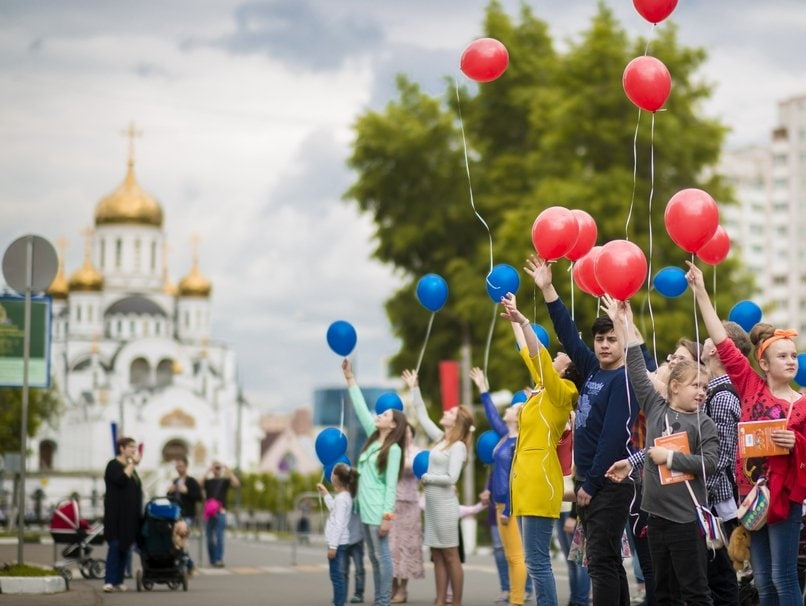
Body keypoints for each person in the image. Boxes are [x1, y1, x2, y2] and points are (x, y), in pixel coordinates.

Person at [687, 261, 806, 606]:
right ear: (763, 364)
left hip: (784, 499)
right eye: (781, 356)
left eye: (793, 356)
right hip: (750, 496)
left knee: (784, 577)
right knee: (764, 580)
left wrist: (796, 442)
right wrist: (701, 293)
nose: (790, 361)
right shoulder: (750, 386)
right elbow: (724, 343)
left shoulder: (802, 403)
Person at [527, 253, 638, 606]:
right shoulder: (592, 369)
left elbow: (614, 437)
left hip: (607, 484)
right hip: (590, 482)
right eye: (600, 339)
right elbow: (568, 335)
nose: (604, 345)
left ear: (623, 342)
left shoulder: (623, 379)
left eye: (611, 339)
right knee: (607, 564)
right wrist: (548, 290)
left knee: (601, 565)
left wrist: (589, 484)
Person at [603, 296, 719, 606]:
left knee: (695, 593)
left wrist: (670, 458)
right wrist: (623, 323)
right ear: (675, 387)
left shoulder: (703, 423)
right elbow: (638, 368)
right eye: (695, 386)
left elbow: (711, 464)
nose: (701, 392)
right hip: (656, 519)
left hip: (686, 521)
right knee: (663, 593)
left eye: (705, 388)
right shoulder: (656, 408)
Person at [498, 292, 579, 606]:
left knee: (537, 561)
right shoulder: (546, 388)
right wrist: (517, 319)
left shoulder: (564, 391)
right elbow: (529, 353)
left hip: (539, 481)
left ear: (568, 367)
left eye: (561, 354)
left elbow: (539, 357)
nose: (555, 353)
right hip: (526, 481)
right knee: (534, 561)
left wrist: (526, 322)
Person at [403, 368, 474, 606]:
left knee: (451, 555)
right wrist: (414, 388)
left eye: (451, 412)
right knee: (437, 554)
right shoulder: (442, 440)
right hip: (433, 507)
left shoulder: (458, 447)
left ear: (458, 421)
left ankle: (456, 602)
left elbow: (451, 478)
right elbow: (422, 417)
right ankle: (440, 600)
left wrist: (427, 477)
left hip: (445, 507)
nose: (446, 412)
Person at [342, 359, 406, 606]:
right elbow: (360, 408)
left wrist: (387, 517)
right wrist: (350, 378)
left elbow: (391, 485)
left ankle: (383, 601)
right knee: (374, 557)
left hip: (379, 511)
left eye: (386, 414)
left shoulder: (394, 450)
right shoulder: (373, 438)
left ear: (394, 424)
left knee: (382, 557)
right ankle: (381, 599)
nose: (379, 415)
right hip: (364, 508)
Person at [700, 321, 750, 606]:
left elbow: (720, 458)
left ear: (719, 350)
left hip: (717, 503)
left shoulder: (720, 398)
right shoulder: (714, 392)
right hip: (715, 501)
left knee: (720, 577)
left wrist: (698, 496)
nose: (707, 339)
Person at [470, 363, 527, 606]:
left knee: (516, 557)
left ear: (520, 415)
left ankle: (517, 600)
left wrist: (508, 508)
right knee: (509, 555)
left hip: (508, 504)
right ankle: (515, 596)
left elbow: (518, 476)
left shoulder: (520, 441)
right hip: (499, 502)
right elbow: (493, 416)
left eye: (515, 407)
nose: (509, 409)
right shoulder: (507, 435)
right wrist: (483, 388)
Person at [390, 423, 425, 604]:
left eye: (409, 432)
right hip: (392, 503)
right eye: (402, 432)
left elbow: (418, 468)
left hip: (411, 503)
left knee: (407, 547)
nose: (406, 435)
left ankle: (403, 589)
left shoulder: (417, 452)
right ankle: (392, 587)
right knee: (392, 547)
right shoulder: (392, 450)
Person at [103, 436, 143, 593]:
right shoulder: (113, 465)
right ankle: (109, 581)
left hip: (130, 516)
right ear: (122, 448)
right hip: (116, 515)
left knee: (125, 547)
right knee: (115, 546)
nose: (134, 450)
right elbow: (120, 480)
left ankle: (119, 580)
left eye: (135, 447)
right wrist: (132, 463)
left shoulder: (131, 468)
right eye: (131, 447)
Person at [318, 462, 361, 606]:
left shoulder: (343, 499)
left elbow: (339, 523)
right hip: (340, 542)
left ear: (336, 479)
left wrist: (333, 546)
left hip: (338, 543)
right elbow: (333, 508)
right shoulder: (343, 496)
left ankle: (339, 603)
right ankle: (339, 601)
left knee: (337, 577)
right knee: (337, 576)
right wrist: (325, 493)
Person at [167, 455, 202, 575]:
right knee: (176, 541)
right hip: (175, 515)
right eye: (177, 466)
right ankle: (188, 565)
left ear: (186, 466)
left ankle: (184, 566)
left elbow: (199, 497)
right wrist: (169, 492)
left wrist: (187, 491)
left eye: (181, 466)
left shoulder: (191, 481)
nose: (178, 468)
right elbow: (169, 499)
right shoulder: (175, 481)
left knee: (180, 538)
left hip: (187, 514)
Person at [203, 460, 240, 568]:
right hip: (209, 513)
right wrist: (208, 470)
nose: (217, 470)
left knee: (219, 537)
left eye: (218, 468)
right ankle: (212, 560)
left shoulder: (224, 481)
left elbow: (236, 483)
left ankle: (219, 559)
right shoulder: (208, 482)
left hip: (221, 512)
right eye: (215, 467)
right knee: (209, 538)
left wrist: (228, 470)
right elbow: (199, 483)